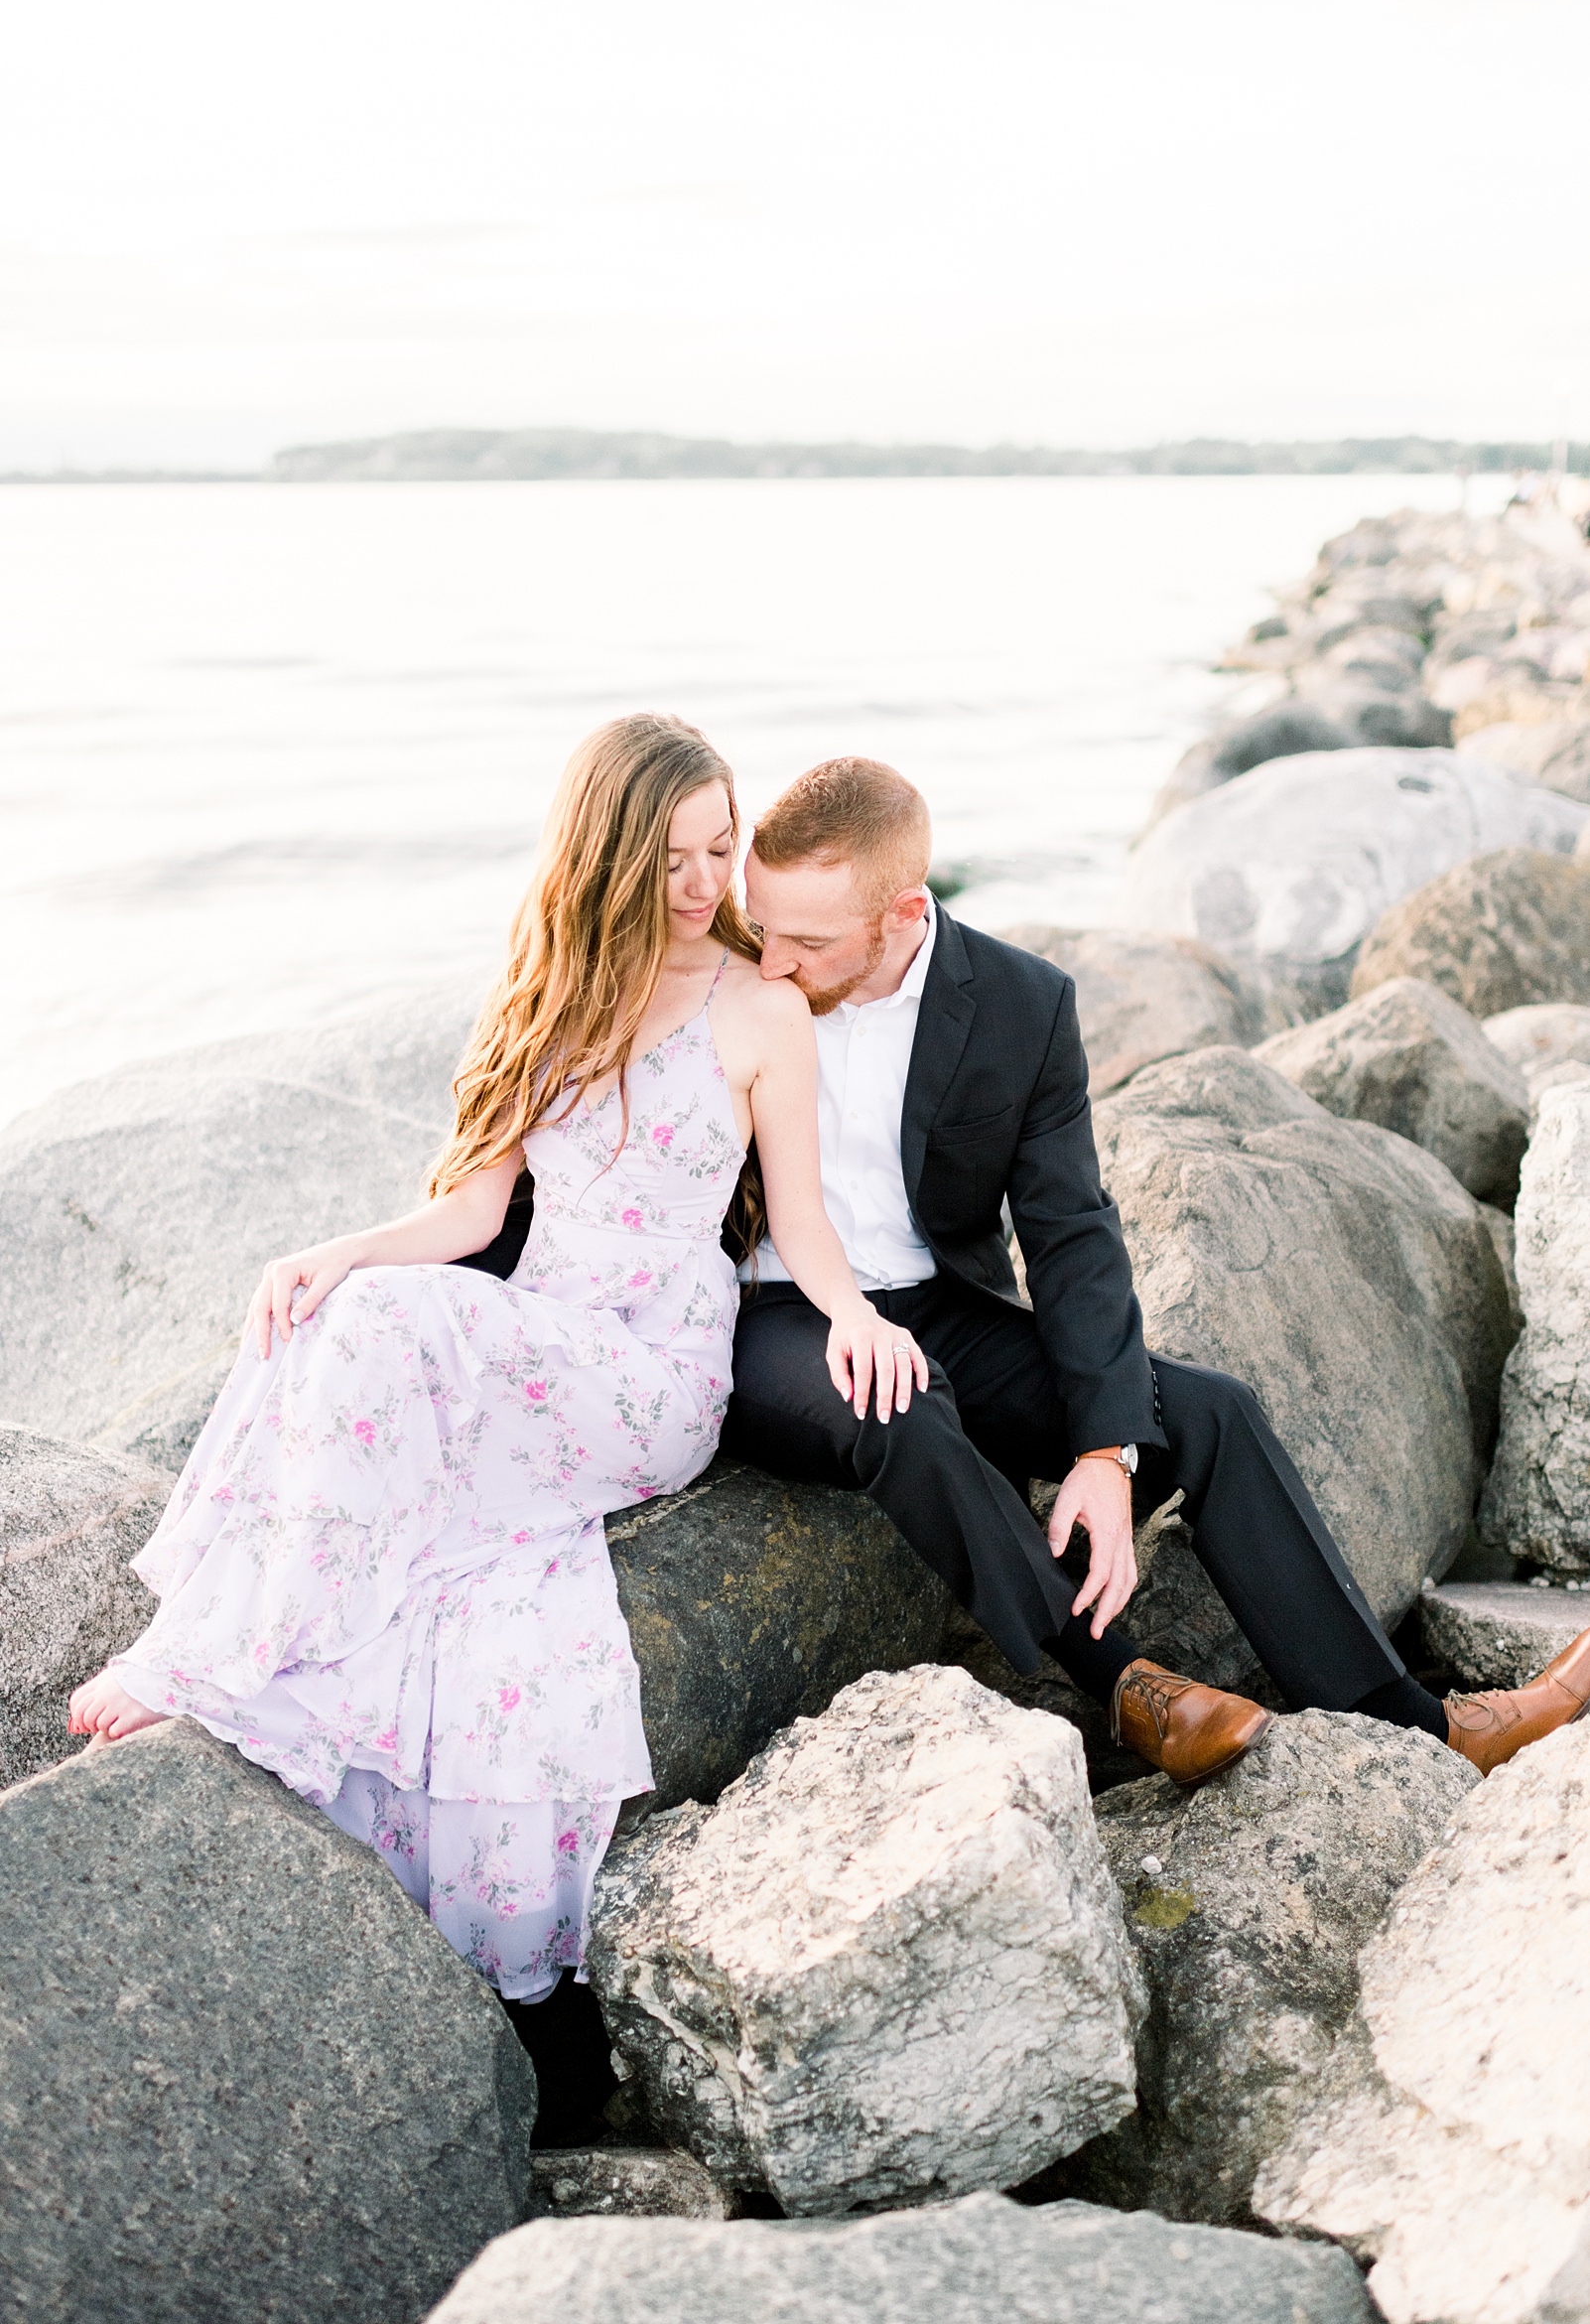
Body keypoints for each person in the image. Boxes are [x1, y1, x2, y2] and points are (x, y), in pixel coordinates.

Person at [67, 715, 928, 2031]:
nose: (704, 888)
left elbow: (800, 1220)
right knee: (331, 1313)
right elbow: (472, 1220)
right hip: (540, 1330)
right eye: (670, 861)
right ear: (603, 859)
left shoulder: (760, 1011)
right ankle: (268, 1636)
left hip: (648, 1372)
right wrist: (337, 1251)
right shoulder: (552, 1001)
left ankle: (238, 1659)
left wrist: (850, 1315)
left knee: (391, 1333)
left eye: (718, 850)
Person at [722, 754, 1590, 1784]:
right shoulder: (722, 974)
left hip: (935, 1307)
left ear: (904, 911)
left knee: (1207, 1411)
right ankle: (1132, 1688)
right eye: (760, 923)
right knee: (899, 1408)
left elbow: (1072, 1233)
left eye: (807, 940)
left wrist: (1104, 1451)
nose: (769, 958)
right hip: (776, 1316)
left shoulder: (1018, 1004)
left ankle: (1416, 1724)